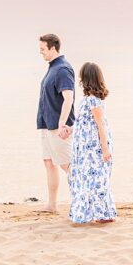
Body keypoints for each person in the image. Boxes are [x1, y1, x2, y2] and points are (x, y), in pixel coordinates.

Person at [67, 61, 117, 225]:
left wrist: (104, 149)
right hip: (84, 148)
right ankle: (92, 212)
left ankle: (103, 213)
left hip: (94, 148)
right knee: (85, 178)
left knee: (97, 179)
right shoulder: (86, 100)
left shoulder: (94, 101)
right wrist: (70, 129)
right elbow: (83, 123)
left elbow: (100, 126)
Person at [36, 33, 75, 213]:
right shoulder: (52, 67)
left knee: (68, 165)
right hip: (46, 123)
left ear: (53, 48)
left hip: (58, 127)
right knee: (49, 163)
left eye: (43, 49)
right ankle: (52, 205)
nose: (41, 52)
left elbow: (69, 98)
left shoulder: (62, 69)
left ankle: (83, 202)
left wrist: (61, 123)